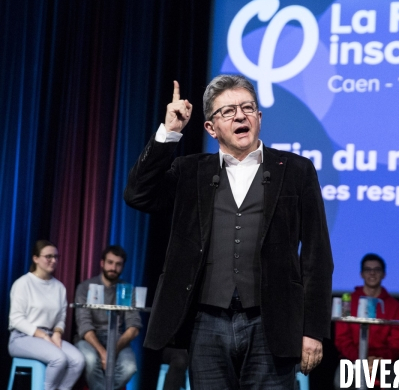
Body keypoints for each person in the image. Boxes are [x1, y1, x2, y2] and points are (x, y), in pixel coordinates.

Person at [124, 75, 334, 389]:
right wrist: (168, 133)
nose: (240, 115)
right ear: (211, 128)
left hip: (271, 323)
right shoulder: (190, 171)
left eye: (247, 108)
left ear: (259, 118)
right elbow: (138, 194)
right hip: (206, 323)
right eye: (227, 111)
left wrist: (313, 330)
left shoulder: (295, 170)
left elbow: (317, 257)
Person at [8, 239, 85, 389]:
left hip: (49, 335)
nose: (53, 260)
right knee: (59, 359)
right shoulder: (23, 283)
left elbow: (61, 317)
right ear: (35, 258)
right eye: (48, 256)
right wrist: (43, 336)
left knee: (78, 360)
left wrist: (57, 332)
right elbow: (16, 319)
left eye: (56, 257)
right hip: (22, 337)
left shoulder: (59, 287)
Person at [334, 254, 399, 389]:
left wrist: (379, 360)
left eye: (377, 269)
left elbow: (398, 342)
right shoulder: (347, 302)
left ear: (384, 274)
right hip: (353, 360)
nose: (372, 273)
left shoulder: (394, 306)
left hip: (384, 362)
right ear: (361, 274)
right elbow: (342, 339)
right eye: (368, 269)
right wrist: (361, 360)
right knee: (341, 381)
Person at [75, 245, 141, 390]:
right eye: (110, 262)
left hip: (117, 340)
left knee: (130, 367)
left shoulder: (127, 289)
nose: (113, 267)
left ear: (123, 266)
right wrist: (103, 352)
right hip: (90, 339)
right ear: (102, 263)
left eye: (118, 264)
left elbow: (134, 327)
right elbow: (84, 325)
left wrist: (113, 351)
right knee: (91, 361)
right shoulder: (85, 287)